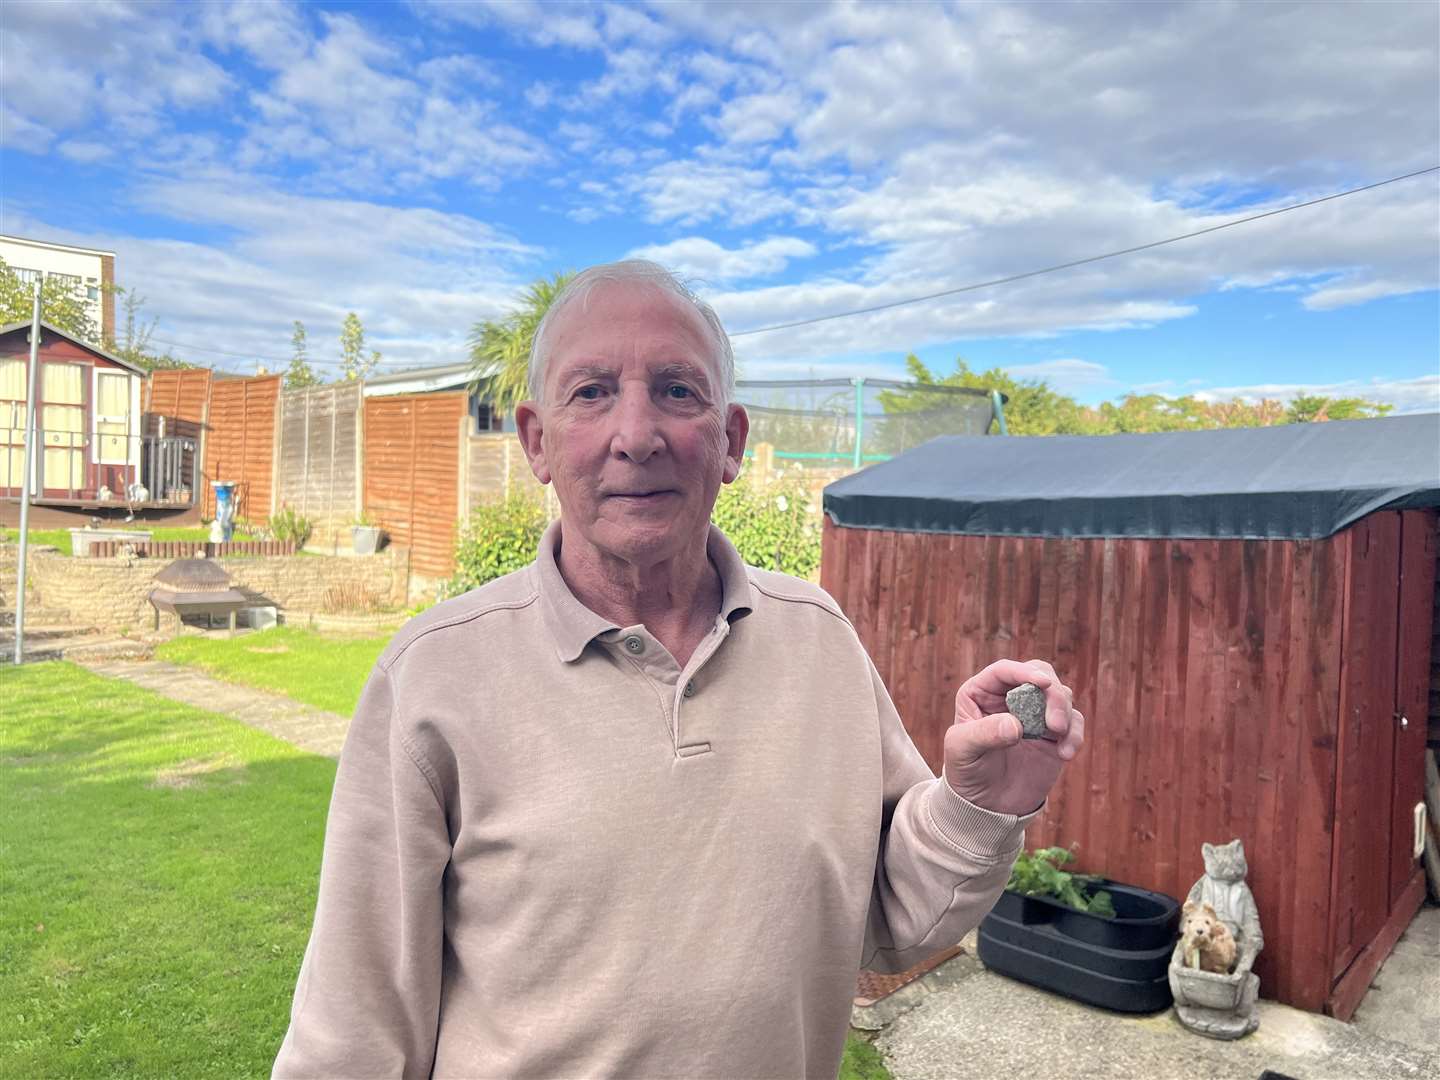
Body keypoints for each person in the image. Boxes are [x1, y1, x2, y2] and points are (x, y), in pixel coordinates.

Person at [272, 260, 1084, 1080]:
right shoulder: (434, 679)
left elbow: (894, 916)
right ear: (537, 442)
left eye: (676, 390)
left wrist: (975, 808)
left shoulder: (819, 641)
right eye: (591, 392)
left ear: (730, 443)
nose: (636, 434)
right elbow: (352, 1031)